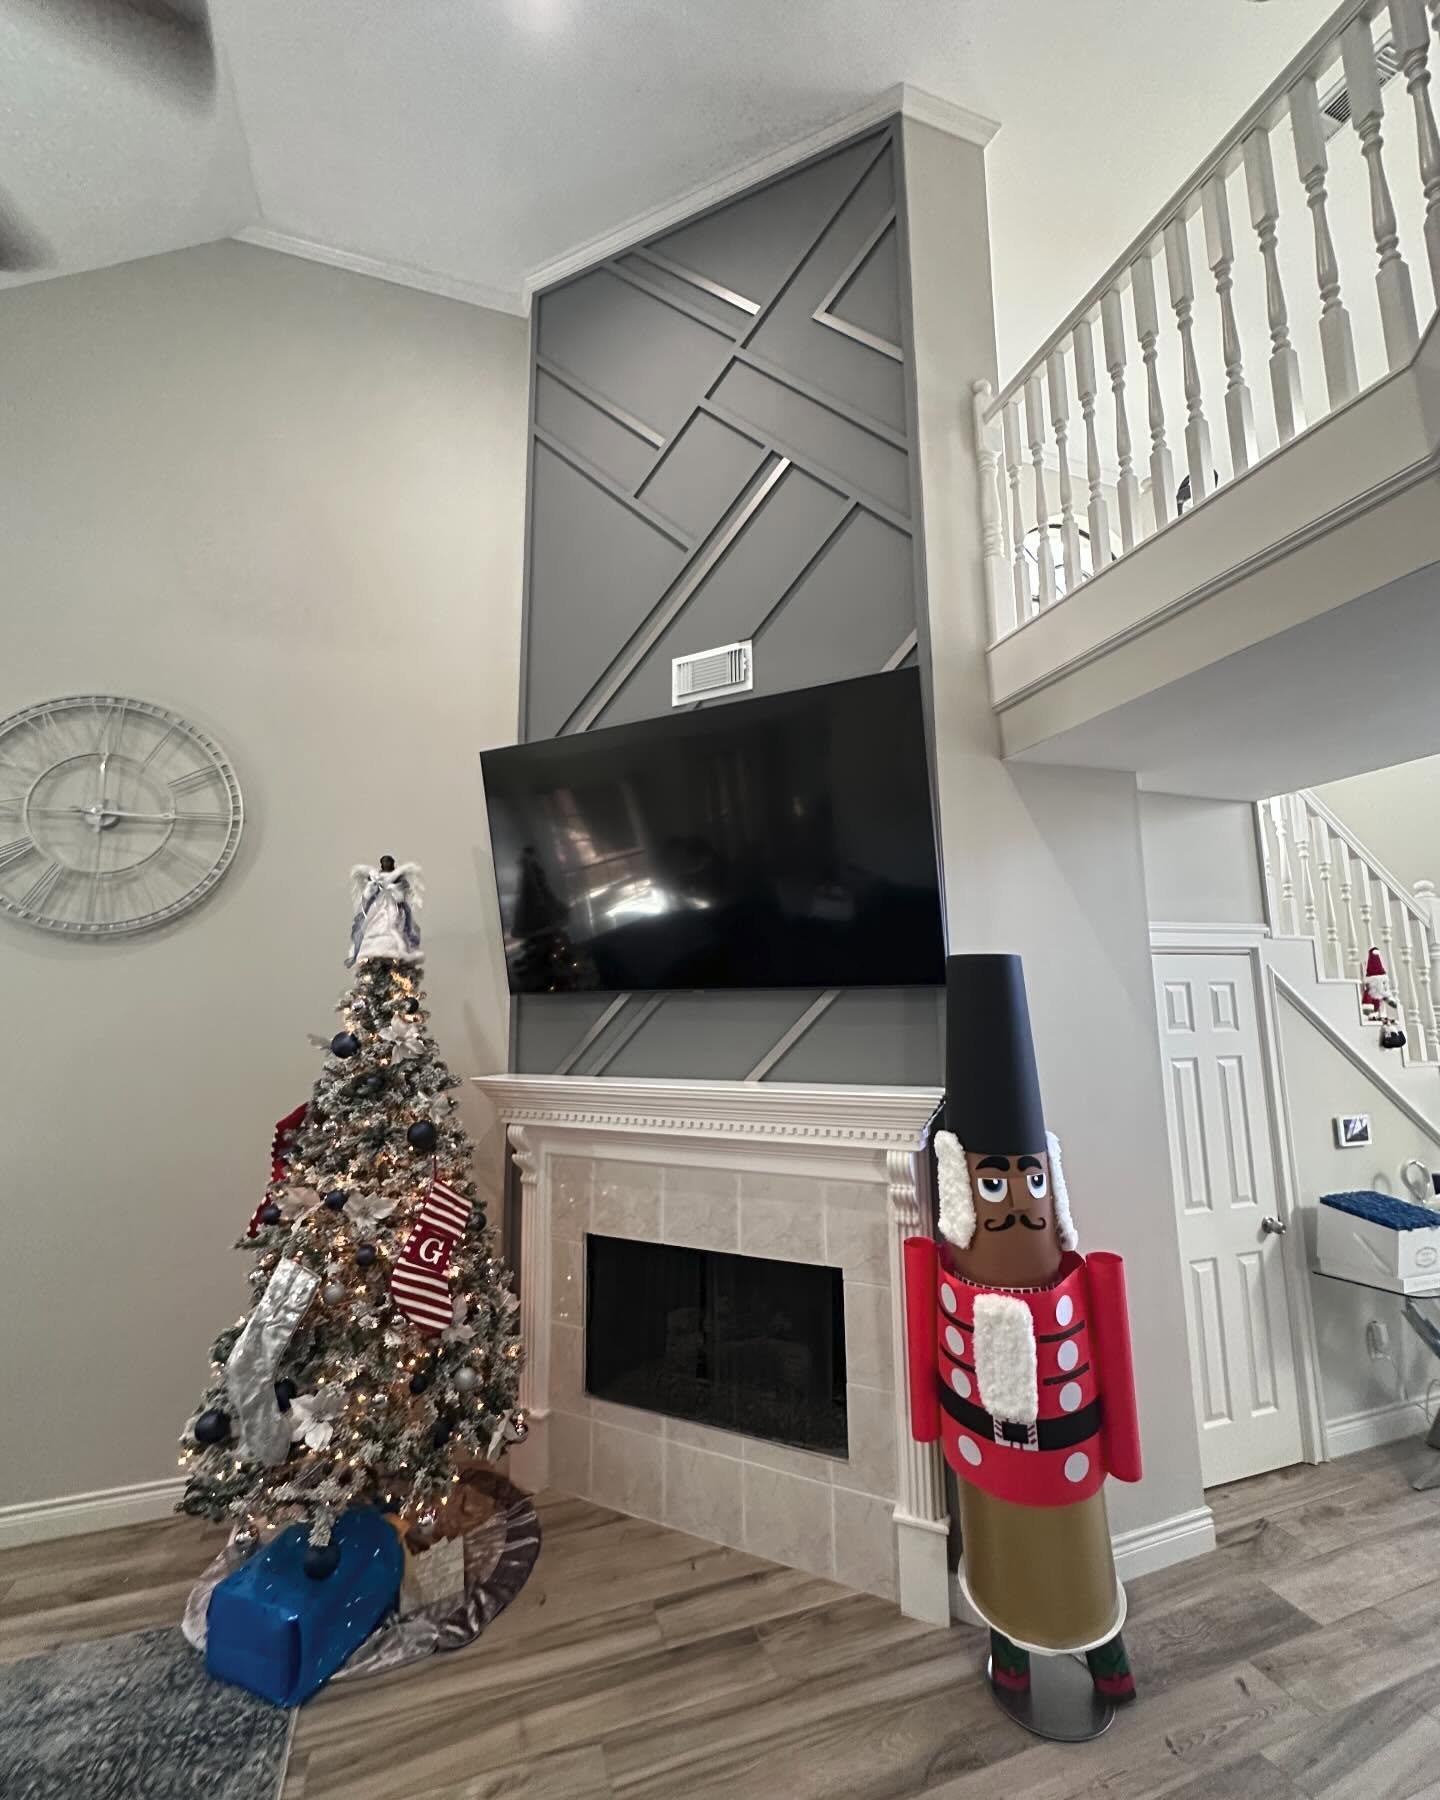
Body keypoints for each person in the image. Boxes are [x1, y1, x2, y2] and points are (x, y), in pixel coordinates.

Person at [903, 953, 1142, 1709]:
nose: (1014, 1200)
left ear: (1049, 1174)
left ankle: (1106, 1655)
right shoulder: (946, 1267)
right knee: (998, 1530)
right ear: (962, 1186)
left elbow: (1117, 1363)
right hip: (982, 1441)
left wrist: (1122, 1445)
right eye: (993, 1183)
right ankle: (1010, 1650)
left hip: (1070, 1448)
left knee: (1073, 1546)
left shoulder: (1075, 1276)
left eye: (1031, 1179)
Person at [346, 855, 423, 966]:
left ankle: (396, 950)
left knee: (392, 924)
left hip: (392, 904)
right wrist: (372, 886)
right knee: (370, 923)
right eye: (384, 862)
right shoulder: (376, 876)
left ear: (392, 863)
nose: (386, 863)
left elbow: (402, 894)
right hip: (379, 904)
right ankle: (373, 950)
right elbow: (368, 893)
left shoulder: (397, 876)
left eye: (388, 861)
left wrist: (393, 888)